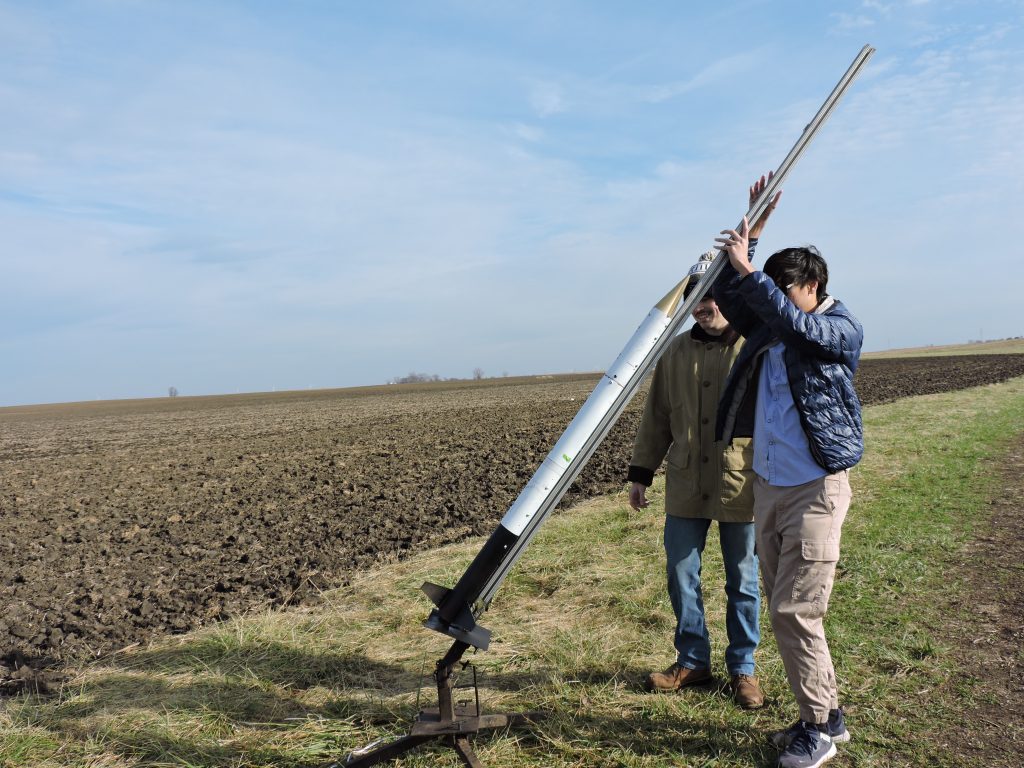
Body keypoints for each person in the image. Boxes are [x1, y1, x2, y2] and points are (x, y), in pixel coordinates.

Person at [712, 174, 863, 768]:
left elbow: (797, 326)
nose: (774, 296)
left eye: (783, 286)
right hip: (769, 487)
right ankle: (829, 715)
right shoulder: (772, 324)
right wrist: (750, 234)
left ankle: (819, 728)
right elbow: (729, 299)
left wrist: (752, 273)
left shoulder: (836, 328)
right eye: (770, 284)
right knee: (783, 603)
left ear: (813, 286)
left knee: (796, 610)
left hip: (814, 490)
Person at [627, 182, 777, 710]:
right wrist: (641, 472)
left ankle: (744, 669)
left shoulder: (755, 343)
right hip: (687, 479)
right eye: (698, 297)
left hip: (741, 480)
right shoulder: (671, 357)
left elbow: (757, 290)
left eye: (714, 295)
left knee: (743, 577)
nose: (706, 305)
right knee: (681, 574)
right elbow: (658, 417)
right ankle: (692, 661)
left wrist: (751, 233)